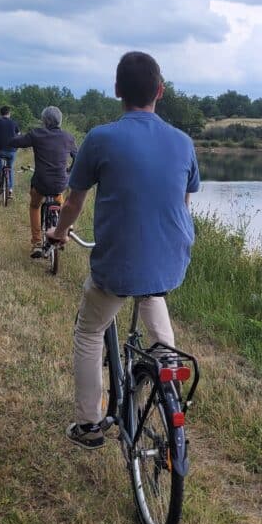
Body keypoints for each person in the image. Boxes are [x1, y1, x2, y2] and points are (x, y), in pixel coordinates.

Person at [48, 51, 200, 450]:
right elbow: (183, 204)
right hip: (170, 260)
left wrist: (59, 234)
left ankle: (89, 423)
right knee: (152, 289)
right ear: (160, 91)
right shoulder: (183, 142)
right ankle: (166, 361)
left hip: (119, 265)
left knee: (89, 329)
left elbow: (74, 203)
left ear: (117, 90)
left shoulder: (101, 138)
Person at [8, 106, 77, 258]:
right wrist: (69, 171)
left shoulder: (36, 134)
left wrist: (11, 136)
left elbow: (16, 142)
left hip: (41, 183)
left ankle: (37, 242)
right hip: (60, 182)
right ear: (60, 121)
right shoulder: (68, 137)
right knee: (60, 201)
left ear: (44, 121)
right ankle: (64, 228)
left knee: (34, 205)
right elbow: (77, 157)